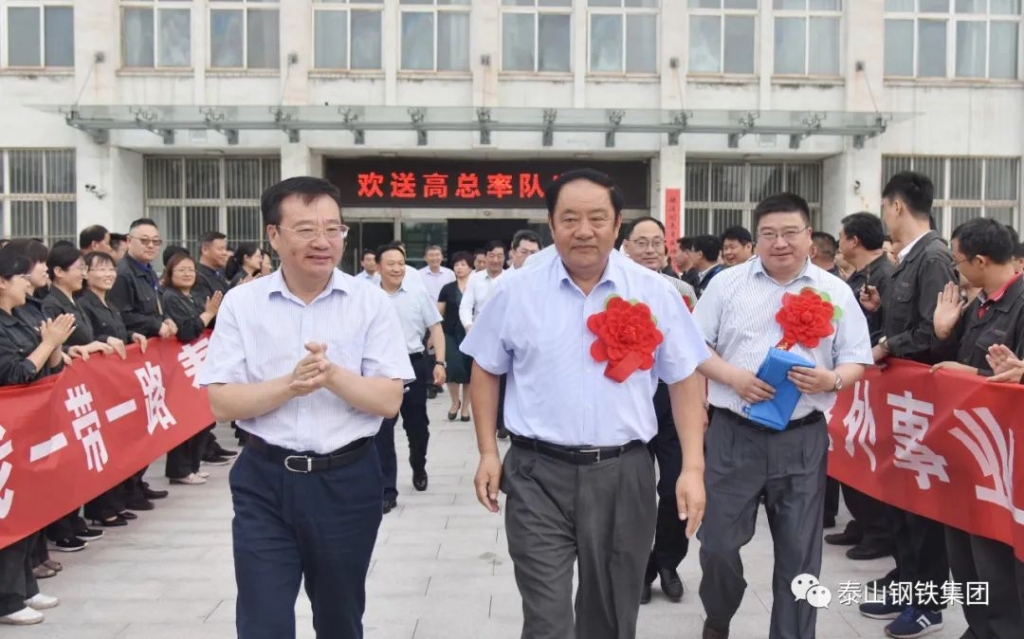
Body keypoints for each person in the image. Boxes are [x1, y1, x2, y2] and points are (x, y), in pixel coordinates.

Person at [462, 169, 710, 639]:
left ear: (616, 225)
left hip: (623, 473)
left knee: (610, 618)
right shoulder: (516, 290)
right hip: (536, 474)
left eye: (597, 218)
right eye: (569, 218)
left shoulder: (654, 291)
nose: (583, 231)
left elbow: (683, 378)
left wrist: (692, 469)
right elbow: (486, 368)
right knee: (547, 620)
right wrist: (488, 452)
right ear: (551, 224)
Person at [197, 176, 413, 639]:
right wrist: (290, 386)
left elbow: (388, 399)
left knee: (339, 620)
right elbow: (221, 402)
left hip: (347, 482)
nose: (323, 241)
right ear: (273, 235)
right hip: (264, 480)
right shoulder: (242, 304)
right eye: (306, 229)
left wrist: (331, 376)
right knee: (263, 621)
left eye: (333, 229)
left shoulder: (370, 302)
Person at [693, 193, 872, 639]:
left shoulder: (835, 291)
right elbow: (695, 347)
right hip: (734, 433)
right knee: (717, 545)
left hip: (802, 439)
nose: (780, 243)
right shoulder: (727, 285)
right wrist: (733, 378)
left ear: (809, 236)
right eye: (769, 234)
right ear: (756, 239)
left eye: (790, 233)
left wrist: (831, 380)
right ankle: (719, 616)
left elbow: (857, 358)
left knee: (800, 558)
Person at [858, 171, 956, 638]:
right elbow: (910, 320)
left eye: (884, 206)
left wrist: (885, 345)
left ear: (896, 206)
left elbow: (935, 334)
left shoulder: (933, 258)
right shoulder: (909, 258)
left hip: (923, 402)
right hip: (901, 400)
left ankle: (929, 605)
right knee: (900, 500)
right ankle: (908, 585)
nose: (884, 215)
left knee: (923, 507)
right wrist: (881, 312)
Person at [928, 218, 1024, 639]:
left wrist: (976, 375)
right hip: (967, 447)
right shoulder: (979, 304)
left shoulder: (1020, 303)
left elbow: (1011, 378)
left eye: (959, 261)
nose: (956, 269)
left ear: (981, 261)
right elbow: (949, 362)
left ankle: (1003, 629)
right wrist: (943, 330)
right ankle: (979, 625)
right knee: (964, 552)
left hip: (1002, 459)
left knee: (995, 555)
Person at [621, 216, 698, 605]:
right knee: (632, 494)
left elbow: (694, 352)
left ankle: (666, 562)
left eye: (657, 242)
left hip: (671, 400)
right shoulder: (612, 290)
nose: (650, 250)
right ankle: (636, 569)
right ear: (626, 247)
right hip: (628, 399)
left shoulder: (682, 291)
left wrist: (699, 404)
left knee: (673, 487)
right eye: (641, 242)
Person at [0, 248, 70, 626]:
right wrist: (46, 344)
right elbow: (16, 373)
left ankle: (25, 586)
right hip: (6, 431)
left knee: (27, 509)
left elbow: (49, 368)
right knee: (8, 514)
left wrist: (54, 343)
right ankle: (7, 599)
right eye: (21, 278)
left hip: (30, 428)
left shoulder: (24, 315)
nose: (28, 284)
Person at [828, 212, 896, 561]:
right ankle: (862, 521)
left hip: (875, 380)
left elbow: (889, 326)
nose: (839, 243)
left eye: (841, 236)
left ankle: (879, 529)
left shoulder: (885, 274)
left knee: (869, 455)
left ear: (854, 240)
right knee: (850, 454)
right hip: (853, 379)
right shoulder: (857, 277)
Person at [41, 242, 112, 550]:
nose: (83, 274)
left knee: (76, 458)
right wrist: (73, 349)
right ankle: (61, 527)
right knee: (62, 459)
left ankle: (73, 519)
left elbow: (89, 335)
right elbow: (51, 342)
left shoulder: (75, 300)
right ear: (58, 272)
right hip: (61, 392)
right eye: (79, 268)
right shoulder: (50, 304)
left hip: (80, 392)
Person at [109, 218, 177, 512]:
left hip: (150, 359)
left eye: (155, 242)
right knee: (133, 427)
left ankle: (137, 481)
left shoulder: (147, 271)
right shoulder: (123, 274)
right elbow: (123, 315)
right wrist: (154, 324)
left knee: (148, 424)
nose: (151, 246)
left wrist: (165, 320)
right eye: (144, 241)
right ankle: (128, 488)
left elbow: (153, 307)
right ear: (129, 240)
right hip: (132, 360)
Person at [78, 250, 148, 527]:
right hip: (96, 387)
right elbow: (88, 336)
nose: (108, 274)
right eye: (101, 269)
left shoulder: (109, 303)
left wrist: (131, 335)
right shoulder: (83, 304)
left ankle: (116, 502)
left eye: (111, 269)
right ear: (86, 273)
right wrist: (105, 339)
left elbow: (118, 332)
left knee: (118, 444)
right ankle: (101, 509)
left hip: (115, 387)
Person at [375, 243, 446, 513]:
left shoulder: (417, 294)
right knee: (382, 430)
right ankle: (387, 489)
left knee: (417, 426)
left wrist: (440, 362)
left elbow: (436, 329)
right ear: (378, 267)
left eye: (400, 263)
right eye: (390, 263)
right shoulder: (367, 296)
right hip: (381, 369)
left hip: (413, 364)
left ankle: (419, 464)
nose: (397, 268)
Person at [161, 252, 223, 485]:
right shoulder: (170, 297)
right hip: (182, 367)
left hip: (199, 365)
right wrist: (208, 313)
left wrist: (211, 313)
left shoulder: (194, 296)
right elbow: (187, 331)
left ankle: (193, 466)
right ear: (170, 274)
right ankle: (180, 469)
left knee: (201, 416)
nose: (187, 274)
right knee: (186, 418)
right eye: (181, 270)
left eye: (191, 270)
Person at [437, 251, 474, 422]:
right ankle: (454, 402)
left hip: (471, 334)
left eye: (463, 265)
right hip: (450, 333)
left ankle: (465, 407)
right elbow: (439, 313)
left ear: (470, 267)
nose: (459, 268)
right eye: (456, 265)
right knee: (452, 369)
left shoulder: (476, 286)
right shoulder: (447, 288)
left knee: (469, 372)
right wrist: (434, 335)